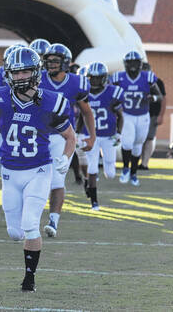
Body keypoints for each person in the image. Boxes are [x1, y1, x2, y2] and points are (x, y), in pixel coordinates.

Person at [0, 47, 76, 292]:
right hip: (10, 173)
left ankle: (29, 278)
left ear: (36, 73)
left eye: (25, 71)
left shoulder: (51, 101)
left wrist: (66, 158)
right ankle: (28, 261)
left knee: (30, 224)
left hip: (39, 171)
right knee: (14, 232)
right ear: (8, 74)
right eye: (16, 72)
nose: (21, 77)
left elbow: (70, 137)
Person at [39, 43, 96, 237]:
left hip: (62, 138)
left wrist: (92, 136)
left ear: (65, 63)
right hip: (37, 135)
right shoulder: (36, 80)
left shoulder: (76, 83)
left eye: (56, 61)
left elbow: (87, 111)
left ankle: (53, 220)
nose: (51, 65)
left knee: (56, 180)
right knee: (34, 178)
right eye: (49, 61)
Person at [111, 51, 162, 186]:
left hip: (143, 115)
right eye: (130, 63)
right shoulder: (118, 77)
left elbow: (160, 95)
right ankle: (126, 169)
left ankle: (134, 173)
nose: (133, 66)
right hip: (127, 115)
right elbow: (111, 93)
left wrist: (153, 98)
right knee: (127, 143)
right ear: (126, 64)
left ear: (140, 64)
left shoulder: (147, 77)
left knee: (138, 144)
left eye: (135, 62)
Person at [82, 62, 124, 209]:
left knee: (110, 173)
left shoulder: (113, 92)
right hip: (91, 135)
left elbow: (120, 115)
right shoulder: (84, 93)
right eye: (91, 78)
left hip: (108, 136)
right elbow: (80, 117)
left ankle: (88, 181)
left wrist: (119, 133)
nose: (93, 81)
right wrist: (77, 133)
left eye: (96, 78)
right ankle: (94, 202)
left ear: (103, 78)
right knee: (92, 167)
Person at [140, 62, 166, 171]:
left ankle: (144, 163)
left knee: (149, 138)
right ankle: (137, 161)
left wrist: (161, 115)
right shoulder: (137, 81)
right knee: (139, 139)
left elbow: (163, 99)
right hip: (138, 114)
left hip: (152, 114)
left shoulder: (157, 82)